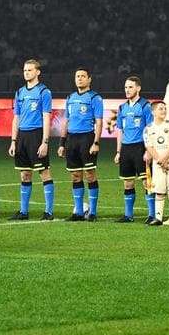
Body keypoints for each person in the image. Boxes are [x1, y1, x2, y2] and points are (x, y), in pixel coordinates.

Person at [8, 59, 54, 221]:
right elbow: (16, 118)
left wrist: (45, 142)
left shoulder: (44, 92)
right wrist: (13, 141)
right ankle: (23, 211)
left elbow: (47, 117)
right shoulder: (20, 92)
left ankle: (48, 211)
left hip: (37, 135)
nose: (26, 72)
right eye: (25, 70)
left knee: (43, 172)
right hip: (22, 136)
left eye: (30, 70)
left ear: (38, 72)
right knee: (25, 174)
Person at [60, 68, 104, 222]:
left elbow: (99, 122)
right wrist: (62, 143)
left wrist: (96, 142)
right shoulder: (70, 98)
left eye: (83, 76)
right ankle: (78, 212)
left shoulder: (95, 98)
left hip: (87, 139)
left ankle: (92, 212)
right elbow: (66, 121)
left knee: (90, 175)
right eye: (77, 76)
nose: (79, 79)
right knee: (75, 175)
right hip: (72, 140)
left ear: (89, 79)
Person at [109, 75, 153, 223]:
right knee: (128, 182)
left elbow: (150, 129)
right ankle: (128, 215)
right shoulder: (122, 108)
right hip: (126, 149)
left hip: (141, 147)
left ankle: (152, 215)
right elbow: (120, 131)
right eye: (126, 87)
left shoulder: (145, 106)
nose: (127, 90)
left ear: (138, 88)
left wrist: (149, 150)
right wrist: (118, 151)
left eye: (131, 87)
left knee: (146, 182)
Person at [143, 101, 169, 227]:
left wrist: (164, 159)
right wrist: (160, 160)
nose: (164, 111)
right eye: (161, 109)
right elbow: (149, 147)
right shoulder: (148, 129)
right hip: (158, 163)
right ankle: (158, 218)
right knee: (159, 191)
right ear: (153, 112)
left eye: (165, 108)